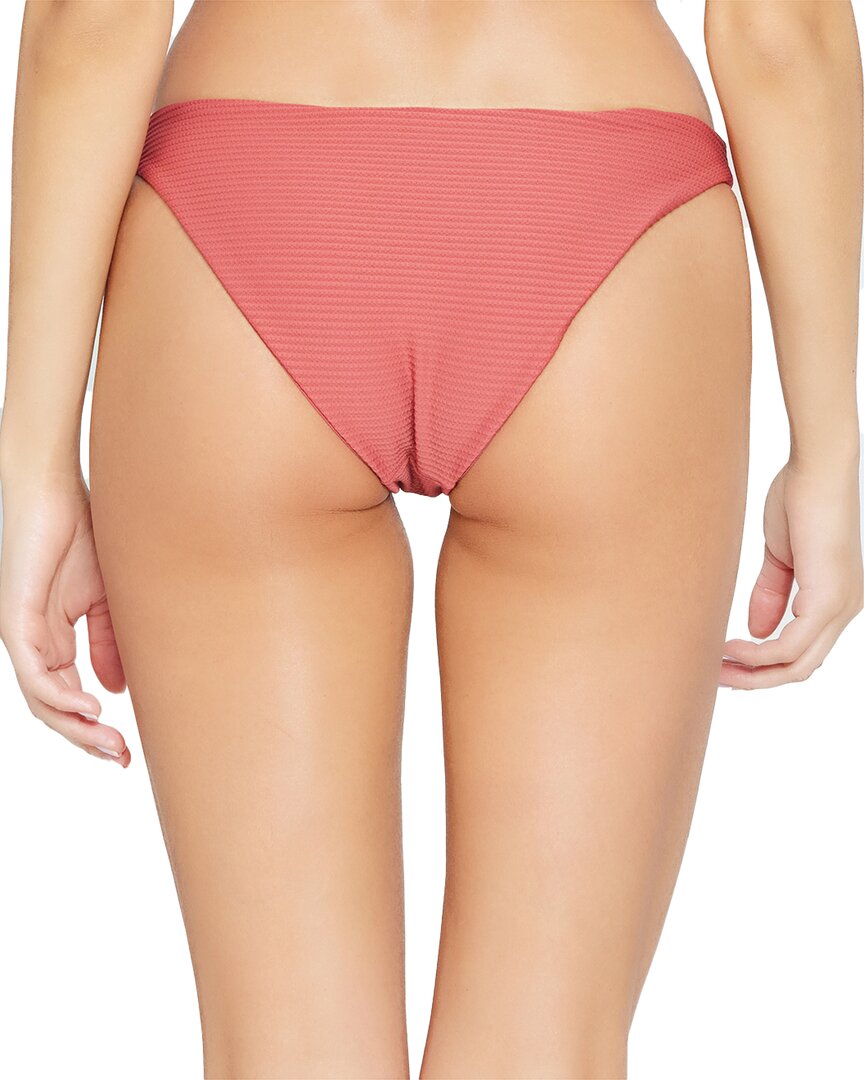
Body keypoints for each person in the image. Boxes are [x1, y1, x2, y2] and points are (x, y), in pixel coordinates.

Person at [1, 2, 861, 1077]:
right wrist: (829, 450)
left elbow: (93, 20)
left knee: (283, 1054)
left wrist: (35, 461)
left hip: (253, 199)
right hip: (600, 205)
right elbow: (782, 29)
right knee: (545, 1052)